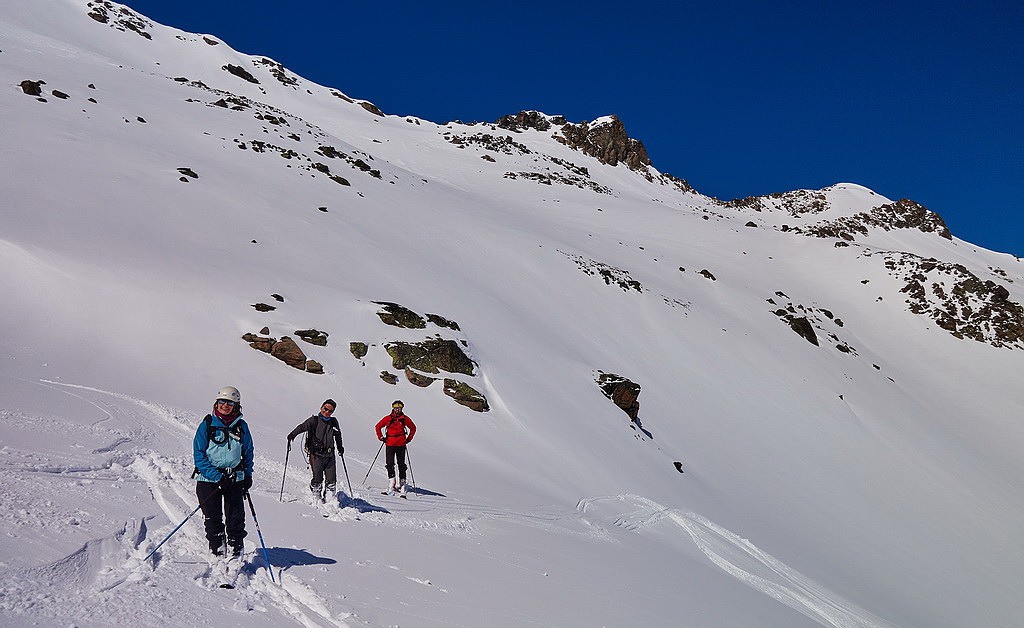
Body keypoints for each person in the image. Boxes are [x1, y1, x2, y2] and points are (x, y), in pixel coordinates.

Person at [192, 386, 254, 557]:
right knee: (212, 517)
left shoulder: (242, 427)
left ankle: (236, 549)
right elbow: (199, 455)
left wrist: (248, 475)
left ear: (236, 405)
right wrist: (217, 477)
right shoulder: (207, 425)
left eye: (230, 403)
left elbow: (248, 452)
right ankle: (218, 549)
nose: (225, 405)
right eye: (222, 402)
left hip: (235, 479)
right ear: (217, 403)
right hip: (208, 480)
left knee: (235, 518)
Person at [287, 399, 345, 503]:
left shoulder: (334, 422)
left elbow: (338, 436)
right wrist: (292, 435)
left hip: (330, 455)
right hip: (316, 455)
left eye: (330, 411)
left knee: (331, 480)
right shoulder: (313, 420)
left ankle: (330, 498)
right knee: (317, 478)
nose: (327, 412)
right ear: (321, 407)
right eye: (325, 409)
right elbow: (302, 427)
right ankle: (316, 495)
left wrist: (340, 447)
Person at [374, 400, 417, 497]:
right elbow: (378, 426)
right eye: (396, 408)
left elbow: (413, 428)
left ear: (402, 408)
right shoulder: (388, 418)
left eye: (399, 408)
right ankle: (392, 483)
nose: (397, 409)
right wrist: (381, 437)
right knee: (390, 464)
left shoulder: (404, 419)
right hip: (390, 443)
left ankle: (402, 484)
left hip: (401, 444)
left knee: (401, 464)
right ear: (393, 408)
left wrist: (408, 439)